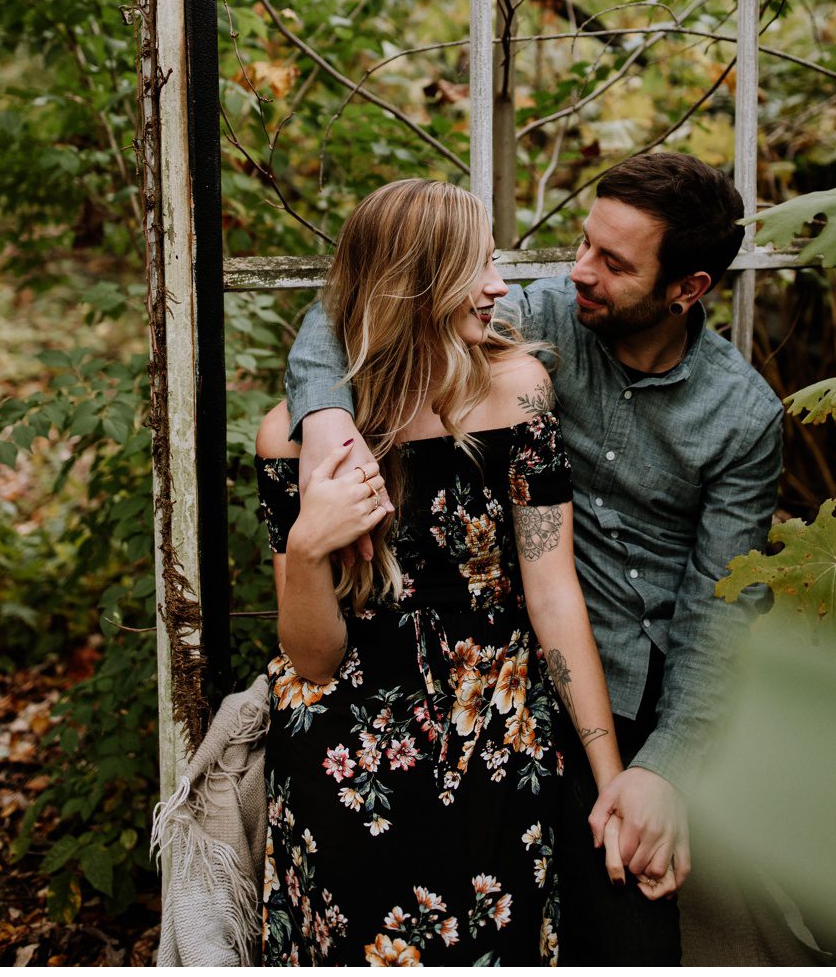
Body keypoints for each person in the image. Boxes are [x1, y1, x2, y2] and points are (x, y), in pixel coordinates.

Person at [285, 152, 783, 965]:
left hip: (619, 685)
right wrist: (325, 413)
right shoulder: (544, 317)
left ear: (686, 288)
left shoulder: (742, 419)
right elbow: (352, 307)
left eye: (614, 263)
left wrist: (665, 768)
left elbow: (719, 611)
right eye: (584, 243)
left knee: (625, 923)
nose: (578, 270)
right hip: (492, 654)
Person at [258, 178, 629, 965]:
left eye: (494, 259)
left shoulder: (516, 391)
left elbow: (552, 590)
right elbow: (312, 661)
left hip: (496, 724)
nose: (499, 284)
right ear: (411, 284)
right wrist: (308, 548)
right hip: (349, 751)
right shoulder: (297, 439)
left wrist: (609, 776)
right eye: (476, 264)